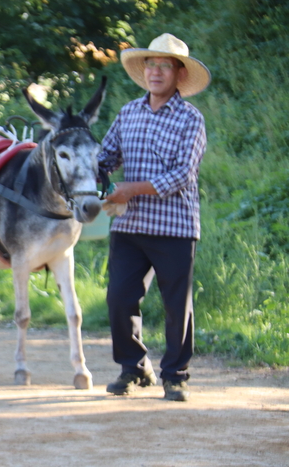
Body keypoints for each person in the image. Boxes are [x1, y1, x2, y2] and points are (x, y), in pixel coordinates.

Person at [97, 33, 210, 402]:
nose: (157, 72)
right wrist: (93, 174)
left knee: (177, 304)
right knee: (119, 298)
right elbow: (105, 157)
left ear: (179, 74)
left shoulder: (190, 119)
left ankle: (176, 375)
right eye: (152, 65)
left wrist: (130, 189)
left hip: (174, 228)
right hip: (129, 226)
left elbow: (182, 176)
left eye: (165, 65)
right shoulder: (128, 112)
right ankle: (133, 367)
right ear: (143, 70)